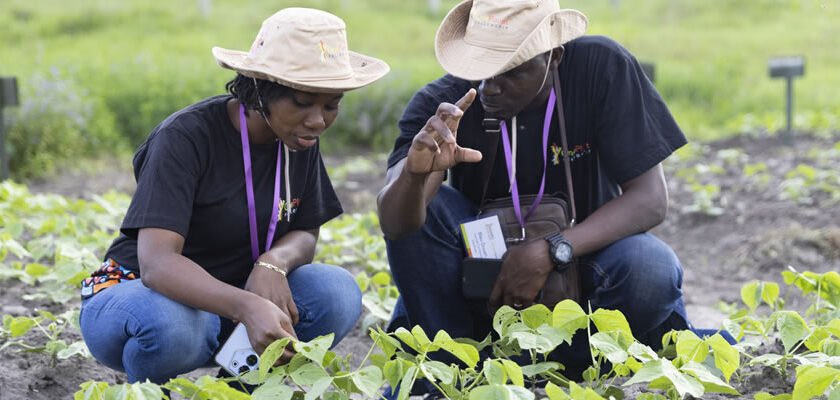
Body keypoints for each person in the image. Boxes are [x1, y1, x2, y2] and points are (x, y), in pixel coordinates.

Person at [378, 0, 692, 380]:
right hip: (483, 275)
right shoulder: (443, 104)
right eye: (483, 68)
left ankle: (571, 365)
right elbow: (396, 225)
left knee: (650, 269)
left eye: (513, 72)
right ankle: (458, 365)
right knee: (430, 211)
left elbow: (650, 201)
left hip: (586, 266)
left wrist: (553, 249)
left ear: (554, 57)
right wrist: (414, 174)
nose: (491, 86)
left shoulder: (600, 69)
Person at [78, 7, 389, 384]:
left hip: (237, 300)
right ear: (260, 89)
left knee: (336, 293)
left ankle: (239, 387)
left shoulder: (299, 140)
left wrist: (272, 263)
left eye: (331, 104)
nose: (318, 120)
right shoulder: (185, 138)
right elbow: (157, 264)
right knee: (175, 326)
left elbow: (305, 233)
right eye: (302, 102)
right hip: (142, 295)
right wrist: (247, 305)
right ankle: (148, 391)